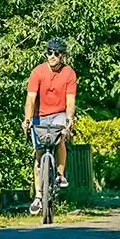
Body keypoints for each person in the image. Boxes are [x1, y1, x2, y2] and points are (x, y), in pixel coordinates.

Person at [23, 37, 77, 215]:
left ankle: (60, 174)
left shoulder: (69, 73)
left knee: (61, 139)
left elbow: (70, 100)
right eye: (49, 52)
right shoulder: (37, 72)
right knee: (39, 153)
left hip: (59, 114)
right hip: (39, 116)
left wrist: (69, 118)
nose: (52, 56)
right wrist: (28, 119)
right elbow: (30, 99)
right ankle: (38, 196)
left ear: (63, 56)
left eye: (56, 53)